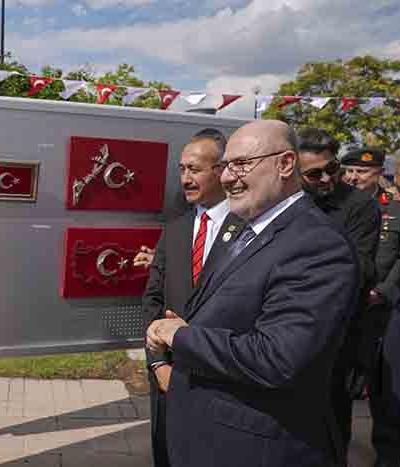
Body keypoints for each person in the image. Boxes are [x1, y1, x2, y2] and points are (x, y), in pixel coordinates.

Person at [146, 120, 359, 467]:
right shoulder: (248, 229)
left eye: (242, 163)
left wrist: (182, 337)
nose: (228, 176)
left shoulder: (316, 244)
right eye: (226, 165)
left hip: (254, 448)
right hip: (206, 436)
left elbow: (279, 357)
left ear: (286, 164)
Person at [137, 128, 244, 467]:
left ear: (221, 170)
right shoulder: (177, 227)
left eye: (194, 169)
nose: (185, 178)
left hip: (222, 377)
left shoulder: (249, 227)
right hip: (169, 373)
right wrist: (158, 364)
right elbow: (152, 298)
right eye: (181, 169)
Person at [298, 129, 380, 458]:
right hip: (287, 334)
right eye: (314, 173)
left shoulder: (359, 206)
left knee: (331, 430)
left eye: (332, 168)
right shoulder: (288, 202)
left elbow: (359, 270)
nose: (327, 178)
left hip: (338, 338)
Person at [341, 147, 400, 467]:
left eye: (361, 172)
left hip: (383, 311)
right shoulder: (336, 204)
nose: (353, 177)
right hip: (344, 308)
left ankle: (387, 456)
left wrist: (382, 291)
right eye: (349, 170)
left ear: (379, 172)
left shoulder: (393, 207)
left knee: (383, 387)